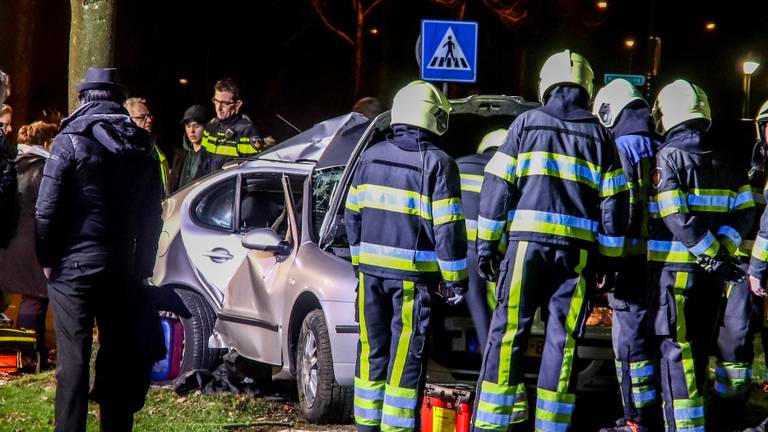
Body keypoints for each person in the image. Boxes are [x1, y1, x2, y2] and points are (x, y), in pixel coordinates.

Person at [470, 49, 630, 432]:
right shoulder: (600, 135)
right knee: (563, 341)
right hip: (575, 256)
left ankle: (491, 426)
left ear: (546, 84)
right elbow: (615, 203)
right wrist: (608, 261)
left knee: (508, 334)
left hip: (526, 249)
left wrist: (486, 246)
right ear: (586, 88)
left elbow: (496, 187)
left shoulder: (526, 124)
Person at [35, 67, 165, 431]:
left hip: (73, 267)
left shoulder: (68, 140)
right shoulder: (143, 146)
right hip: (121, 267)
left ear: (84, 98)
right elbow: (151, 216)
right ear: (118, 100)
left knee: (73, 360)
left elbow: (46, 210)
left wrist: (47, 259)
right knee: (118, 357)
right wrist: (141, 267)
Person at [344, 80, 467, 432]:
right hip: (412, 280)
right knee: (406, 355)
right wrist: (456, 279)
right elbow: (448, 229)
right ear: (434, 117)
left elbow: (351, 215)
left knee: (370, 351)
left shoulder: (369, 157)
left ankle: (366, 426)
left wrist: (359, 262)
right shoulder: (439, 164)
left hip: (370, 276)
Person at [646, 79, 754, 431]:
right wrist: (722, 251)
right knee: (701, 348)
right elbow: (747, 210)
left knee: (679, 354)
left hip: (676, 276)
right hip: (712, 279)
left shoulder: (668, 157)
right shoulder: (729, 160)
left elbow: (675, 215)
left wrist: (711, 255)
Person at [592, 79, 662, 432]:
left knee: (630, 348)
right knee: (653, 344)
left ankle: (637, 419)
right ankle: (649, 417)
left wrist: (607, 260)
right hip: (663, 265)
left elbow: (618, 210)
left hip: (629, 264)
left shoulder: (619, 147)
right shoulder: (661, 146)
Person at [711, 98, 768, 430]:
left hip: (757, 267)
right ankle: (729, 409)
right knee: (734, 341)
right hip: (744, 268)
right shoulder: (750, 165)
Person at [0, 121, 57, 369]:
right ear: (46, 143)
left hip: (8, 242)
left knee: (26, 298)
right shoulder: (44, 168)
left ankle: (26, 353)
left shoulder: (13, 164)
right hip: (32, 243)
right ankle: (28, 356)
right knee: (34, 299)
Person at [456, 128, 506, 350]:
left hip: (456, 252)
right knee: (496, 312)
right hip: (493, 253)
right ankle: (493, 362)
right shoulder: (510, 170)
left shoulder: (458, 164)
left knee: (476, 304)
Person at [199, 78, 266, 175]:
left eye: (225, 104)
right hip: (212, 188)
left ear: (238, 105)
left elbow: (254, 174)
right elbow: (201, 167)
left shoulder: (247, 132)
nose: (218, 108)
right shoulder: (210, 127)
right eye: (216, 101)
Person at [125, 97, 171, 196]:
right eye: (142, 117)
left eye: (149, 115)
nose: (149, 120)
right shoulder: (124, 152)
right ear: (128, 120)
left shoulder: (155, 149)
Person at [170, 105, 207, 192]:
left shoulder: (210, 155)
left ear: (206, 127)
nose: (191, 131)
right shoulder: (180, 154)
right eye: (188, 126)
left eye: (196, 126)